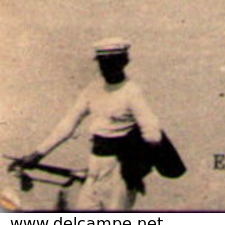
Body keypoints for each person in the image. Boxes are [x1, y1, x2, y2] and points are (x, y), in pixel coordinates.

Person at [14, 39, 168, 211]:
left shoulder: (132, 92)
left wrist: (134, 164)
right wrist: (38, 154)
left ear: (124, 61)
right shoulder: (92, 90)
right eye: (103, 62)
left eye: (112, 62)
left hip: (120, 173)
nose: (107, 67)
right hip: (94, 168)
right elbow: (67, 125)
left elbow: (153, 135)